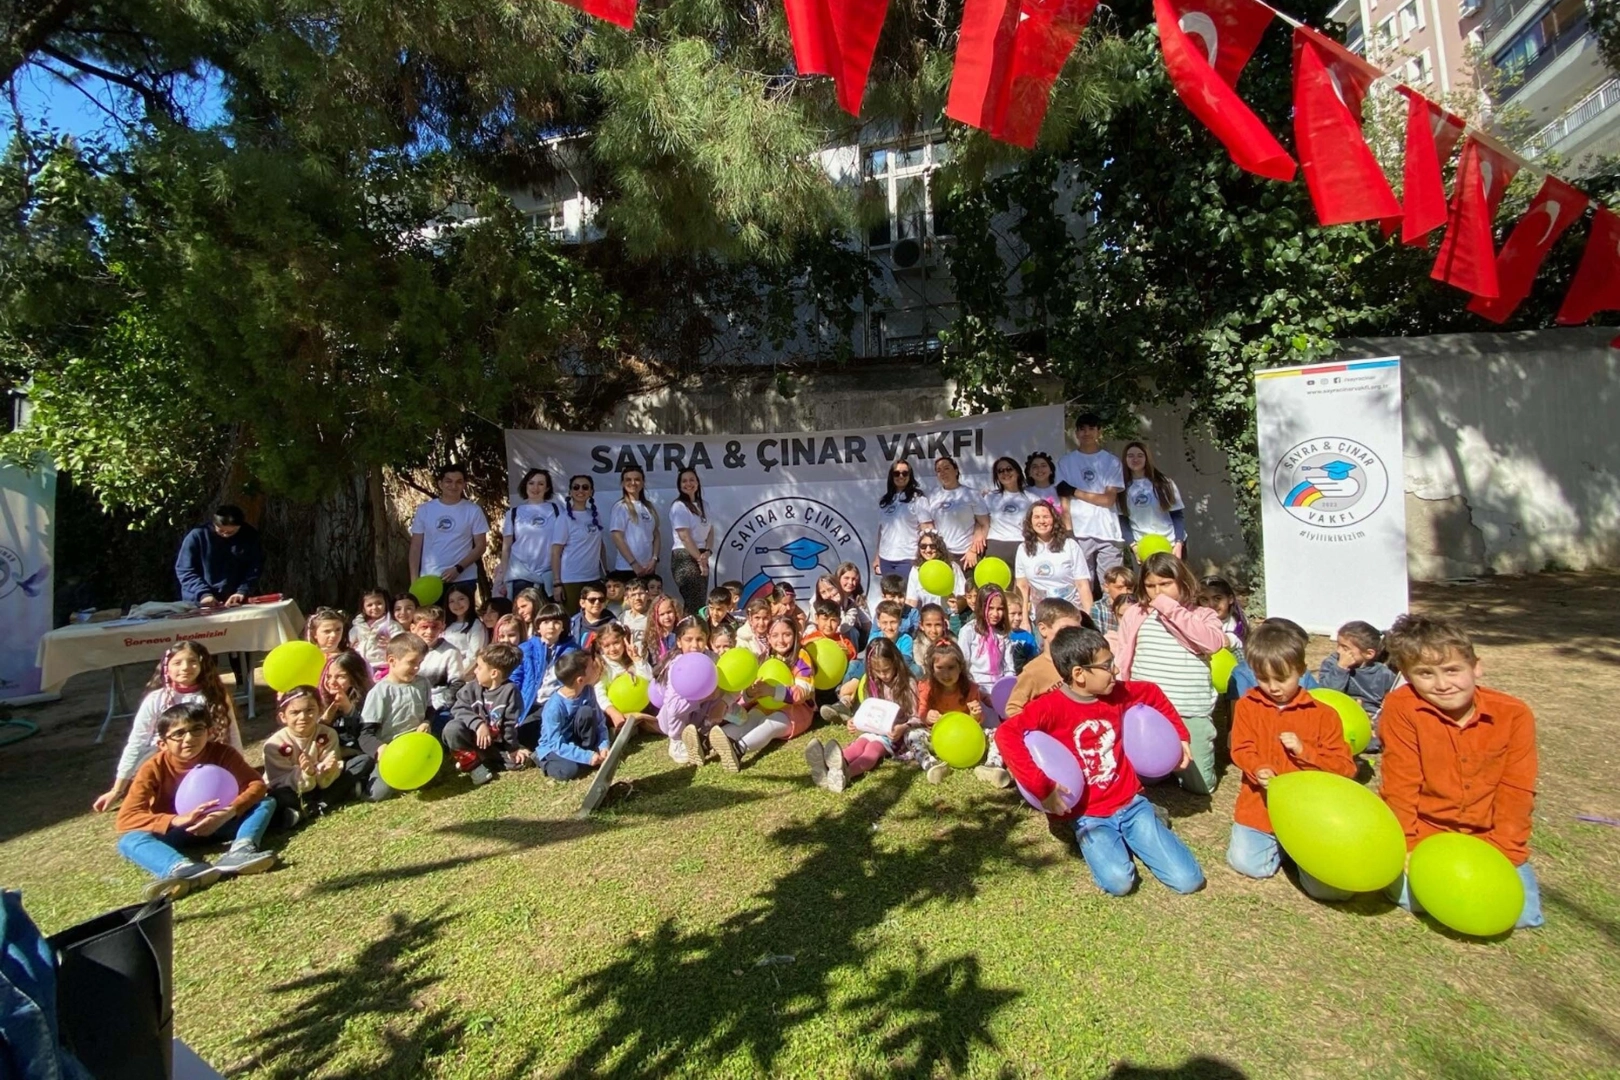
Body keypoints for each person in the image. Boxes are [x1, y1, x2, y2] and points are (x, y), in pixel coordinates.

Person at [996, 626, 1203, 897]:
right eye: (1106, 665)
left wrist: (1180, 734)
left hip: (1131, 802)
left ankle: (1145, 822)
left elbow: (1151, 693)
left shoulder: (1119, 694)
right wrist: (1042, 787)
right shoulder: (1049, 708)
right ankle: (1120, 837)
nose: (1115, 671)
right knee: (1119, 883)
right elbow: (1006, 734)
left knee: (1189, 881)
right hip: (1088, 815)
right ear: (1079, 674)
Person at [1378, 615, 1542, 929]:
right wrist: (1407, 847)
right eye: (1425, 674)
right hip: (1428, 831)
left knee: (1521, 916)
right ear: (1408, 677)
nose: (1441, 684)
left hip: (1486, 836)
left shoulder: (1514, 714)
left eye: (1453, 670)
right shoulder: (1401, 707)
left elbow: (1517, 790)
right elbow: (1401, 783)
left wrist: (1506, 851)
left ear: (1476, 667)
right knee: (1413, 899)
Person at [1225, 621, 1358, 899]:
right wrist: (1257, 769)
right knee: (1247, 864)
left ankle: (1297, 849)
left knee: (1326, 889)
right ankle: (1281, 847)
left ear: (1300, 670)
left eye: (1282, 678)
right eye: (1263, 679)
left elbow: (1344, 767)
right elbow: (1241, 747)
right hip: (1261, 808)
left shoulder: (1324, 714)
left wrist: (1305, 751)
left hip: (1311, 812)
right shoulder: (1249, 705)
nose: (1272, 688)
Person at [115, 702, 277, 900]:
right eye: (178, 734)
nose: (189, 738)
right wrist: (176, 820)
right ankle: (182, 868)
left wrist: (227, 812)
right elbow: (126, 818)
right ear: (162, 744)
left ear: (209, 732)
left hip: (222, 822)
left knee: (265, 803)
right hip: (180, 831)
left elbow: (256, 785)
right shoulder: (153, 768)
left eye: (197, 729)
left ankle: (241, 850)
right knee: (129, 840)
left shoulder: (222, 753)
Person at [1113, 552, 1227, 795]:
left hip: (1188, 707)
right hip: (1148, 710)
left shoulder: (1201, 614)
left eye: (1165, 584)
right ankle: (1160, 765)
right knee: (1146, 777)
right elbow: (1123, 653)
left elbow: (1212, 643)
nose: (1158, 592)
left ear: (1182, 582)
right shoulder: (1137, 614)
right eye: (1151, 586)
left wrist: (1171, 610)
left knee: (1201, 786)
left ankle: (1180, 762)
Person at [93, 642, 243, 813]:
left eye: (193, 661)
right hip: (168, 767)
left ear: (203, 665)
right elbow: (137, 743)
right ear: (166, 667)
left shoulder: (215, 696)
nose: (186, 667)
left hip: (205, 761)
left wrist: (240, 772)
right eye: (177, 662)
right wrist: (117, 790)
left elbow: (232, 734)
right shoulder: (155, 699)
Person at [807, 637, 916, 793]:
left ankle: (846, 773)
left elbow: (916, 715)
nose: (883, 675)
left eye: (886, 669)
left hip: (892, 735)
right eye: (877, 671)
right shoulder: (871, 682)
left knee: (872, 749)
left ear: (896, 662)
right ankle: (830, 763)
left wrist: (902, 727)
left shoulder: (908, 683)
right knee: (858, 745)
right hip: (871, 729)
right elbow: (868, 707)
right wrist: (855, 720)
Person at [707, 616, 815, 772]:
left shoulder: (801, 657)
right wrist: (751, 693)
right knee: (752, 718)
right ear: (769, 638)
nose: (781, 640)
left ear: (795, 635)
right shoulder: (765, 657)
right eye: (775, 635)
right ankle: (709, 742)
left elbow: (804, 692)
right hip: (766, 705)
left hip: (796, 711)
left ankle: (738, 750)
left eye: (787, 634)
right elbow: (753, 690)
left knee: (770, 723)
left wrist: (772, 691)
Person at [908, 640, 1004, 786]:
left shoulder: (970, 689)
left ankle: (992, 766)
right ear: (932, 669)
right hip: (936, 737)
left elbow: (976, 723)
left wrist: (975, 715)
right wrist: (927, 716)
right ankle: (931, 764)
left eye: (951, 667)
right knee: (911, 735)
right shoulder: (927, 688)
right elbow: (921, 712)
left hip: (967, 739)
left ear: (960, 667)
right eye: (940, 668)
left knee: (999, 733)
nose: (946, 674)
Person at [1054, 413, 1125, 595]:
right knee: (1081, 587)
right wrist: (1068, 530)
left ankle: (1113, 622)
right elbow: (1064, 499)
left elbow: (1108, 500)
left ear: (1099, 432)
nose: (1086, 433)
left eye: (1091, 428)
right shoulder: (1066, 462)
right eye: (1082, 429)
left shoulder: (1111, 461)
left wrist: (1075, 491)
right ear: (1076, 433)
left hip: (1107, 531)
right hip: (1079, 531)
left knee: (1112, 586)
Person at [262, 686, 352, 828]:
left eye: (310, 710)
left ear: (320, 710)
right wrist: (306, 774)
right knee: (278, 797)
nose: (303, 717)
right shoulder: (274, 744)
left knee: (361, 762)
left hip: (323, 785)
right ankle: (320, 804)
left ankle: (310, 808)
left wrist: (329, 771)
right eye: (295, 712)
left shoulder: (328, 734)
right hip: (292, 790)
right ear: (283, 717)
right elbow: (277, 781)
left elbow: (331, 767)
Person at [359, 635, 433, 800]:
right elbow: (365, 735)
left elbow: (430, 710)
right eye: (411, 662)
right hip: (392, 752)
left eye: (419, 663)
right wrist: (380, 749)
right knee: (378, 794)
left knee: (431, 780)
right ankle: (360, 782)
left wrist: (427, 721)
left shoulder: (422, 683)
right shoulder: (380, 692)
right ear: (392, 660)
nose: (416, 668)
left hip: (417, 747)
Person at [443, 642, 527, 785]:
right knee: (452, 729)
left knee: (519, 762)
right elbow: (458, 709)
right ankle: (473, 766)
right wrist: (478, 724)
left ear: (494, 673)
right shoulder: (470, 688)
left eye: (479, 667)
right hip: (470, 739)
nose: (475, 671)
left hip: (493, 744)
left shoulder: (510, 691)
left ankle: (479, 759)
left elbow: (509, 725)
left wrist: (513, 748)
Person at [409, 464, 489, 607]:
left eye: (458, 482)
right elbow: (415, 547)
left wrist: (458, 568)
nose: (453, 486)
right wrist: (415, 580)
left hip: (463, 578)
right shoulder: (425, 510)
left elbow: (481, 546)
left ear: (464, 484)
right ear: (440, 484)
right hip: (430, 579)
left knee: (462, 624)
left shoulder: (473, 510)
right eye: (449, 481)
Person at [1317, 620, 1398, 751]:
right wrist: (1341, 668)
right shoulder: (1332, 664)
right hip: (1341, 712)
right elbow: (1329, 693)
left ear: (1369, 654)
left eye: (1345, 648)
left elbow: (1393, 695)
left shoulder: (1382, 673)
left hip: (1370, 715)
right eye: (1338, 645)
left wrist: (1386, 703)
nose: (1338, 651)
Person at [656, 618, 727, 764]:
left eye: (700, 639)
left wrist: (720, 697)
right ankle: (676, 742)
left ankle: (704, 736)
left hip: (700, 716)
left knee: (721, 697)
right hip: (673, 719)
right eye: (689, 639)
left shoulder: (714, 660)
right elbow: (673, 708)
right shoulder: (676, 665)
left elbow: (730, 686)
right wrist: (702, 697)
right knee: (677, 708)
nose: (694, 645)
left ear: (707, 639)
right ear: (679, 641)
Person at [1002, 597, 1084, 718]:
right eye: (1065, 629)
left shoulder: (1083, 662)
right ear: (1043, 629)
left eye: (1076, 630)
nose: (1071, 635)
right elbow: (1013, 709)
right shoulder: (1033, 672)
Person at [536, 651, 611, 781]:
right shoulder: (554, 707)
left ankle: (586, 753)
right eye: (592, 667)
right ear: (580, 680)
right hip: (555, 746)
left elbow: (599, 722)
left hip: (576, 740)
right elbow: (555, 742)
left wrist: (604, 745)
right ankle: (540, 759)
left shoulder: (588, 691)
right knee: (569, 770)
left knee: (586, 711)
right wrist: (586, 757)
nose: (596, 668)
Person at [174, 505, 264, 606]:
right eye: (221, 531)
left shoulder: (250, 536)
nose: (225, 534)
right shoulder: (197, 536)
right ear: (213, 524)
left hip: (236, 598)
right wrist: (203, 593)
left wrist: (242, 591)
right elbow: (185, 570)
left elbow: (255, 568)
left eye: (231, 532)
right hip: (199, 599)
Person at [513, 603, 579, 730]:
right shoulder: (526, 649)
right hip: (528, 703)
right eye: (546, 622)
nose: (551, 627)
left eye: (556, 622)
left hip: (555, 704)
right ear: (538, 627)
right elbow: (515, 680)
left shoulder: (573, 650)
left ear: (563, 627)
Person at [1016, 501, 1091, 612]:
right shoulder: (1023, 549)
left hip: (1070, 611)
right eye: (1037, 517)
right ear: (1030, 522)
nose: (1042, 521)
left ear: (1054, 520)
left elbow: (1082, 584)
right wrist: (1024, 620)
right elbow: (1022, 587)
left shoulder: (1070, 545)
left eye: (1046, 517)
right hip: (1040, 613)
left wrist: (1089, 617)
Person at [499, 468, 561, 598]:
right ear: (525, 485)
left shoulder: (557, 510)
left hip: (549, 575)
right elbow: (506, 549)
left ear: (547, 488)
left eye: (541, 484)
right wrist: (505, 578)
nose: (535, 488)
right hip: (521, 576)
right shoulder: (514, 513)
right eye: (531, 483)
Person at [1118, 441, 1187, 559]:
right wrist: (1133, 547)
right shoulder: (1121, 488)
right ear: (1125, 459)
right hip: (1143, 547)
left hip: (1171, 544)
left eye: (1140, 455)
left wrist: (1179, 543)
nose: (1135, 459)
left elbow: (1177, 515)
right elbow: (1122, 520)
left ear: (1147, 458)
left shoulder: (1165, 483)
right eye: (1130, 456)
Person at [551, 474, 608, 610]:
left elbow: (600, 546)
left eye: (585, 487)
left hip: (593, 577)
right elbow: (555, 552)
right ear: (570, 492)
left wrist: (606, 572)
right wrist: (557, 583)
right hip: (571, 579)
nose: (580, 491)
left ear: (591, 492)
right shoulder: (564, 519)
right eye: (576, 487)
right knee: (573, 620)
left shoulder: (594, 515)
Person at [873, 459, 934, 579]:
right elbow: (882, 530)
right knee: (891, 596)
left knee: (908, 596)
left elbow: (927, 528)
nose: (900, 476)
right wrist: (877, 556)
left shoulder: (918, 499)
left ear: (910, 476)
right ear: (891, 476)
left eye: (905, 473)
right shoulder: (885, 501)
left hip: (908, 558)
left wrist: (929, 553)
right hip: (886, 559)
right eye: (896, 473)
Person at [928, 454, 989, 568]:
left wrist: (973, 551)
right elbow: (931, 525)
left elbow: (984, 524)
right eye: (939, 470)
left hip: (966, 555)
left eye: (947, 468)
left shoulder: (971, 494)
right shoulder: (933, 495)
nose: (943, 473)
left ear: (956, 471)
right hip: (941, 554)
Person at [668, 467, 715, 617]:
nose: (688, 484)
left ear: (698, 482)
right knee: (693, 601)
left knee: (701, 601)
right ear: (679, 485)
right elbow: (685, 537)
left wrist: (707, 552)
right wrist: (699, 560)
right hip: (685, 556)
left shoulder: (704, 505)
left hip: (702, 555)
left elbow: (711, 531)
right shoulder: (679, 506)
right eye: (684, 481)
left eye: (692, 480)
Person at [593, 622, 655, 735]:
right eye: (606, 646)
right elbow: (599, 694)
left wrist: (637, 660)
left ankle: (633, 727)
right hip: (615, 712)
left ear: (624, 640)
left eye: (616, 643)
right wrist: (613, 713)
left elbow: (648, 679)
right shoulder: (603, 666)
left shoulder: (632, 656)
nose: (612, 649)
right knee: (642, 719)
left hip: (641, 705)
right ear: (600, 647)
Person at [409, 607, 465, 731]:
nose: (429, 632)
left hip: (439, 706)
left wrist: (436, 706)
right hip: (411, 703)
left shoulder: (450, 652)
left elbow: (457, 684)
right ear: (413, 628)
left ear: (442, 627)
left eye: (435, 627)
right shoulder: (406, 651)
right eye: (424, 627)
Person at [956, 584, 1013, 697]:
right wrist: (975, 692)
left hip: (999, 688)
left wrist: (1007, 689)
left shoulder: (1003, 634)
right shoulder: (968, 631)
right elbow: (963, 666)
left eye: (1000, 609)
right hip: (976, 687)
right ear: (981, 607)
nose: (995, 614)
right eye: (990, 608)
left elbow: (1008, 668)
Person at [318, 651, 373, 764]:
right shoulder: (319, 701)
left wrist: (349, 710)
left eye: (340, 677)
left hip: (355, 758)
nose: (331, 682)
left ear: (354, 678)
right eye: (328, 676)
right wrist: (326, 720)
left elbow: (363, 737)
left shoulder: (369, 701)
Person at [608, 466, 660, 585]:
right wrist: (633, 564)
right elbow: (617, 537)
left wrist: (654, 559)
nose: (633, 483)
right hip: (627, 569)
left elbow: (656, 535)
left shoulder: (648, 507)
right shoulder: (620, 507)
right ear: (622, 483)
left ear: (643, 482)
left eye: (637, 479)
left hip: (648, 568)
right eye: (628, 479)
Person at [983, 456, 1035, 568]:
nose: (1005, 473)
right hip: (995, 545)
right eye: (1000, 471)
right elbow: (982, 524)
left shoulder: (1032, 499)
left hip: (1022, 545)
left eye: (1009, 469)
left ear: (1017, 472)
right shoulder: (990, 497)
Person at [905, 531, 964, 609]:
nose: (928, 550)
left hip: (950, 615)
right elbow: (911, 600)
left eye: (932, 546)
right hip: (928, 616)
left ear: (939, 548)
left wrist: (956, 606)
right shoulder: (916, 569)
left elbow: (962, 594)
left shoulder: (952, 567)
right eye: (923, 546)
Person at [350, 588, 403, 672]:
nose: (374, 607)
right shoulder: (358, 625)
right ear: (363, 608)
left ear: (386, 604)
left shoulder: (391, 625)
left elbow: (403, 644)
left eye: (379, 603)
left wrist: (391, 643)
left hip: (382, 667)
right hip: (360, 666)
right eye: (369, 605)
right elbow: (349, 642)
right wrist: (351, 648)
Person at [638, 594, 681, 668]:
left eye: (669, 612)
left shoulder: (682, 632)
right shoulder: (652, 637)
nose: (667, 617)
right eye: (662, 614)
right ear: (655, 617)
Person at [570, 580, 616, 648]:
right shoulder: (573, 623)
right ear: (582, 603)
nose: (597, 602)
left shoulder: (613, 623)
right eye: (592, 600)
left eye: (601, 599)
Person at [1092, 565, 1134, 635]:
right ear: (1106, 587)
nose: (1125, 592)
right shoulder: (1098, 608)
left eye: (1129, 588)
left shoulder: (1136, 607)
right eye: (1119, 588)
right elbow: (1097, 637)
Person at [1023, 451, 1064, 520]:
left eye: (1043, 465)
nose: (1039, 469)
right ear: (1029, 472)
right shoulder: (1024, 493)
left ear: (1051, 470)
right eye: (1034, 467)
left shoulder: (1060, 491)